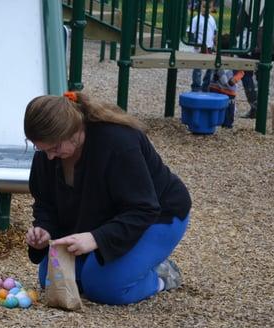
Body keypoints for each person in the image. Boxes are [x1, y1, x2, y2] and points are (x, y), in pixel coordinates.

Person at [24, 92, 192, 306]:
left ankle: (161, 276)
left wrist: (95, 239)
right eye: (42, 149)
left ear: (75, 131)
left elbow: (144, 209)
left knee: (105, 287)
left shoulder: (118, 142)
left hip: (159, 216)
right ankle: (128, 265)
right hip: (104, 218)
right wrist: (44, 229)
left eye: (54, 148)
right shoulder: (50, 151)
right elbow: (45, 203)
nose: (49, 156)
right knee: (52, 280)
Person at [208, 34, 245, 128]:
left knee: (228, 111)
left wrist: (235, 79)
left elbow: (241, 72)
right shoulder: (217, 57)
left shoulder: (234, 59)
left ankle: (227, 125)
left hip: (228, 90)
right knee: (214, 108)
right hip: (216, 88)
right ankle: (215, 123)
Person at [187, 2, 217, 92]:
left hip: (209, 47)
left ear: (212, 8)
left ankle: (205, 85)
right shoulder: (196, 19)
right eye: (204, 6)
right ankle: (196, 87)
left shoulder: (212, 19)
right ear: (200, 7)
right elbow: (190, 31)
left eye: (209, 7)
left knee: (211, 67)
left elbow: (214, 31)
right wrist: (193, 43)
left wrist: (214, 43)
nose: (206, 9)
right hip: (199, 46)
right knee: (197, 68)